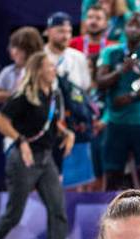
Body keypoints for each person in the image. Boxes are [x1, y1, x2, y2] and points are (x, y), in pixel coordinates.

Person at [0, 52, 75, 239]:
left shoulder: (53, 95)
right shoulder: (23, 96)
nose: (54, 70)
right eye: (50, 66)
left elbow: (51, 123)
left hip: (46, 158)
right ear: (39, 70)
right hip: (24, 159)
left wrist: (66, 133)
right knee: (15, 212)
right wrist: (20, 141)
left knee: (57, 209)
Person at [96, 13, 140, 191]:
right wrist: (121, 71)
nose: (133, 28)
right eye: (130, 25)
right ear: (125, 28)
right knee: (112, 176)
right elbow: (100, 81)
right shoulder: (110, 52)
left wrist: (133, 96)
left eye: (138, 25)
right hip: (116, 123)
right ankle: (110, 216)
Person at [46, 12, 96, 190]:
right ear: (48, 31)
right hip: (50, 124)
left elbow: (86, 89)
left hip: (75, 124)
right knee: (50, 179)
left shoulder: (78, 57)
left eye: (68, 31)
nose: (66, 35)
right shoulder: (40, 57)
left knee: (77, 180)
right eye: (60, 31)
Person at [0, 28, 45, 106]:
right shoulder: (7, 71)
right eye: (12, 47)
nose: (12, 51)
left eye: (16, 48)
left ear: (28, 49)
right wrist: (17, 94)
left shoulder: (45, 70)